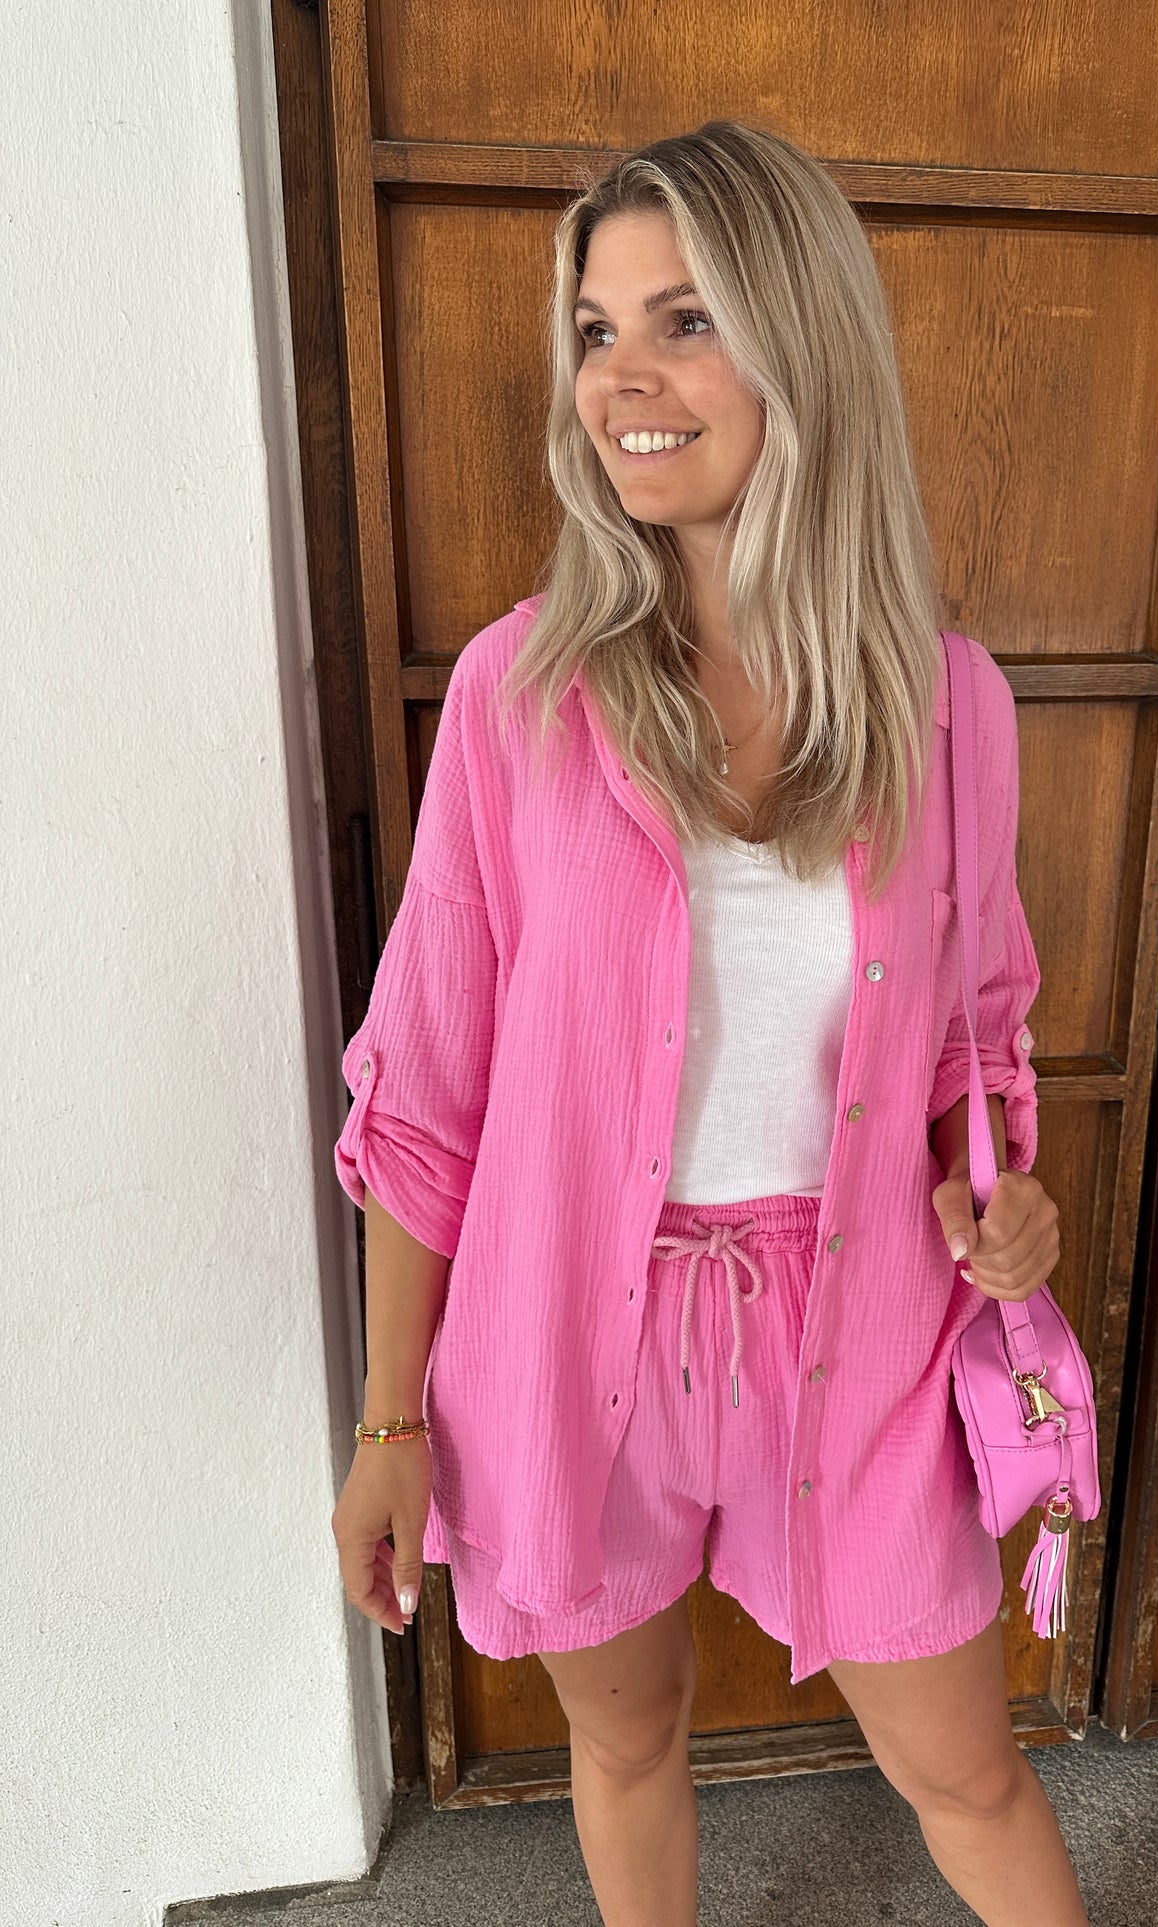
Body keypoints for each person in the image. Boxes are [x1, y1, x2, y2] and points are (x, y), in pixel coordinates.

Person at [329, 119, 1085, 1927]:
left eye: (684, 323)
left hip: (862, 1318)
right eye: (595, 332)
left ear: (798, 344)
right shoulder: (518, 698)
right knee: (627, 1740)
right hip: (564, 1322)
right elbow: (426, 1095)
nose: (622, 381)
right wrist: (387, 1427)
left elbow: (976, 1030)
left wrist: (1004, 1193)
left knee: (966, 1773)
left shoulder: (944, 707)